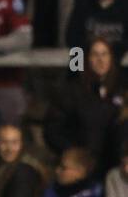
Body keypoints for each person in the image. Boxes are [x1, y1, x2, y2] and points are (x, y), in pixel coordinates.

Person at [43, 37, 127, 178]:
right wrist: (72, 152)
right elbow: (52, 129)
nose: (100, 60)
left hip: (116, 167)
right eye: (95, 54)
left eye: (105, 54)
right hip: (82, 167)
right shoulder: (71, 90)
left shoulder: (122, 88)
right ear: (86, 58)